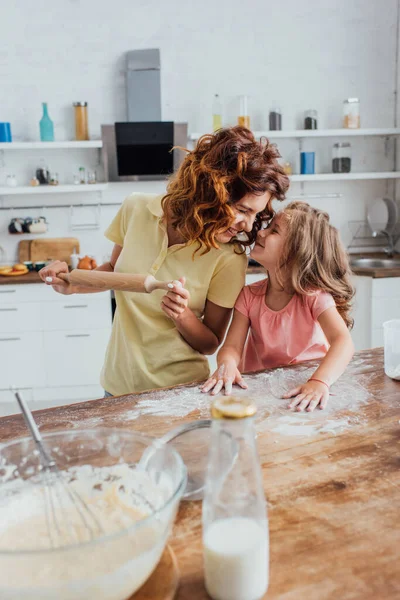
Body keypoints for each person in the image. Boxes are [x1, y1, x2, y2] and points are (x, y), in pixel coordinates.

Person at [39, 127, 289, 396]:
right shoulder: (136, 209)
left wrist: (183, 316)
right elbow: (113, 271)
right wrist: (70, 284)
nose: (247, 225)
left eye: (255, 215)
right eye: (242, 210)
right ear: (212, 191)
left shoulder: (229, 256)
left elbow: (210, 344)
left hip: (178, 393)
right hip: (117, 385)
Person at [201, 201, 355, 412]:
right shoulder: (249, 295)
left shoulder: (313, 296)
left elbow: (343, 341)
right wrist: (227, 363)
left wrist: (320, 382)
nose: (262, 232)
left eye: (274, 231)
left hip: (307, 389)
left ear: (296, 251)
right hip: (261, 391)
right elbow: (232, 346)